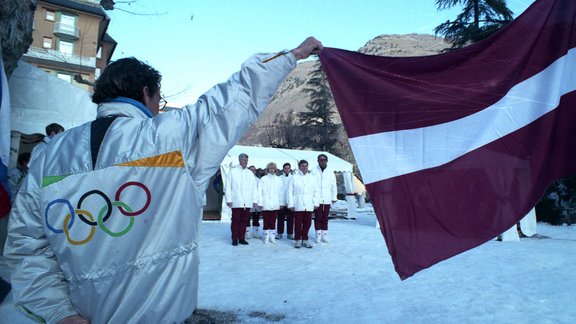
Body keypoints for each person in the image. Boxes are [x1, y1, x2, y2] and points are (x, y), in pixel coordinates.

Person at [4, 37, 323, 323]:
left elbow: (25, 250)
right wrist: (291, 56)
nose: (159, 108)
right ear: (145, 92)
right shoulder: (171, 136)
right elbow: (235, 98)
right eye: (159, 99)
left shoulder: (48, 155)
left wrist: (59, 313)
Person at [226, 154, 258, 245]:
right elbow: (228, 186)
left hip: (247, 201)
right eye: (243, 160)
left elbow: (254, 188)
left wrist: (255, 200)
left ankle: (242, 238)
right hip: (236, 200)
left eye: (246, 160)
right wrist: (228, 199)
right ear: (239, 160)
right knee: (236, 220)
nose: (245, 161)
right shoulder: (233, 171)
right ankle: (235, 238)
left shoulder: (249, 173)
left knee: (245, 220)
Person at [287, 159, 319, 249]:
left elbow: (316, 191)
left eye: (306, 166)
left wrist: (316, 202)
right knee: (297, 222)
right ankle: (298, 239)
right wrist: (291, 204)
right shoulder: (294, 177)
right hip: (298, 203)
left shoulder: (312, 178)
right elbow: (290, 192)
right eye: (302, 166)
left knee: (307, 223)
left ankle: (305, 239)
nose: (304, 168)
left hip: (309, 204)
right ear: (299, 167)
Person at [312, 154, 338, 243]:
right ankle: (318, 235)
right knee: (318, 217)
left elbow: (333, 185)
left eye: (324, 160)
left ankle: (324, 235)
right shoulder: (313, 171)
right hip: (317, 198)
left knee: (325, 218)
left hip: (327, 198)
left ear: (327, 161)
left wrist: (334, 197)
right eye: (321, 160)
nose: (322, 161)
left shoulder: (330, 172)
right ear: (318, 161)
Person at [258, 162, 284, 244]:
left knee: (273, 220)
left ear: (275, 169)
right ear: (267, 169)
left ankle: (272, 236)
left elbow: (281, 192)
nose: (272, 170)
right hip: (266, 203)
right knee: (266, 220)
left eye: (273, 168)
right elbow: (259, 191)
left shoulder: (278, 179)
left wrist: (281, 202)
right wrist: (260, 203)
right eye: (270, 168)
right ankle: (266, 236)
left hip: (275, 203)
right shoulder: (263, 179)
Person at [277, 162, 294, 239]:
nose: (287, 169)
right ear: (283, 169)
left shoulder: (293, 178)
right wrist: (280, 202)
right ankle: (280, 233)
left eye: (288, 168)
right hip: (281, 202)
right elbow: (278, 191)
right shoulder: (279, 178)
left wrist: (291, 202)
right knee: (280, 219)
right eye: (285, 168)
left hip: (290, 203)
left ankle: (290, 233)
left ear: (290, 169)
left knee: (290, 219)